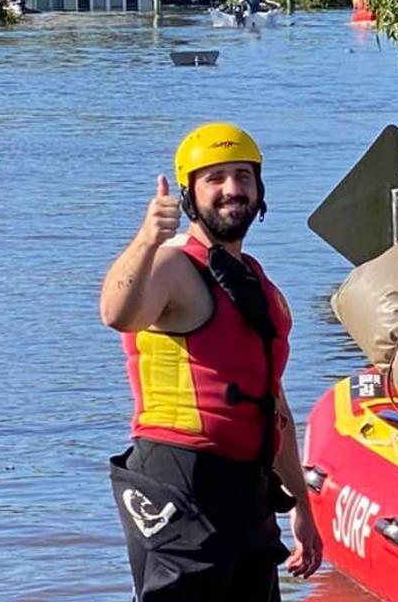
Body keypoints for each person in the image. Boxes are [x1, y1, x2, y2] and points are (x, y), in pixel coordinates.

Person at [99, 122, 322, 601]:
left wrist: (302, 506)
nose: (231, 190)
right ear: (188, 193)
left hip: (247, 488)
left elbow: (273, 403)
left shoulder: (262, 287)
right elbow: (117, 315)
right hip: (178, 477)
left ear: (259, 189)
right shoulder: (171, 265)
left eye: (242, 176)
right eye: (214, 178)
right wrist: (145, 241)